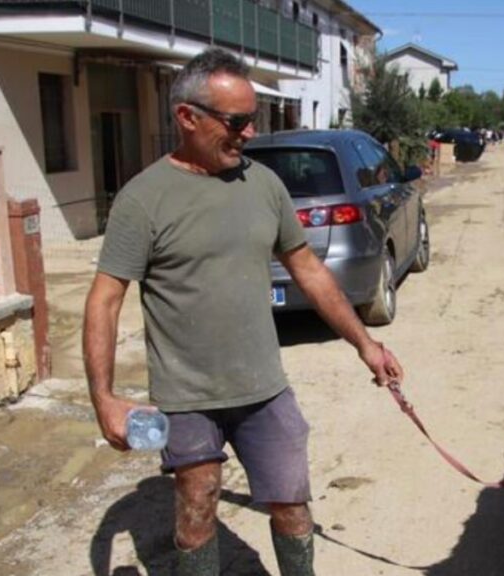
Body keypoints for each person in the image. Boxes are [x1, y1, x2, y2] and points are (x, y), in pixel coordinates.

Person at [83, 49, 404, 576]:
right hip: (187, 396)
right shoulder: (143, 199)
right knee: (197, 507)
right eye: (236, 121)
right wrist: (104, 398)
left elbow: (309, 271)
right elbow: (105, 297)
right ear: (188, 117)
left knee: (292, 507)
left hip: (264, 388)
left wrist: (365, 344)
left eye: (252, 119)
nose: (250, 132)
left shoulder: (264, 186)